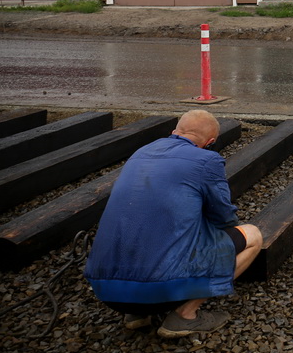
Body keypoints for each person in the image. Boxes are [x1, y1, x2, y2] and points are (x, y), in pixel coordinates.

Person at [84, 109, 262, 339]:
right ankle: (185, 315)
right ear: (210, 142)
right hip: (162, 290)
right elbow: (224, 218)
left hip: (106, 290)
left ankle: (136, 315)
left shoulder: (141, 153)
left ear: (174, 132)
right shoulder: (207, 160)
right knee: (253, 236)